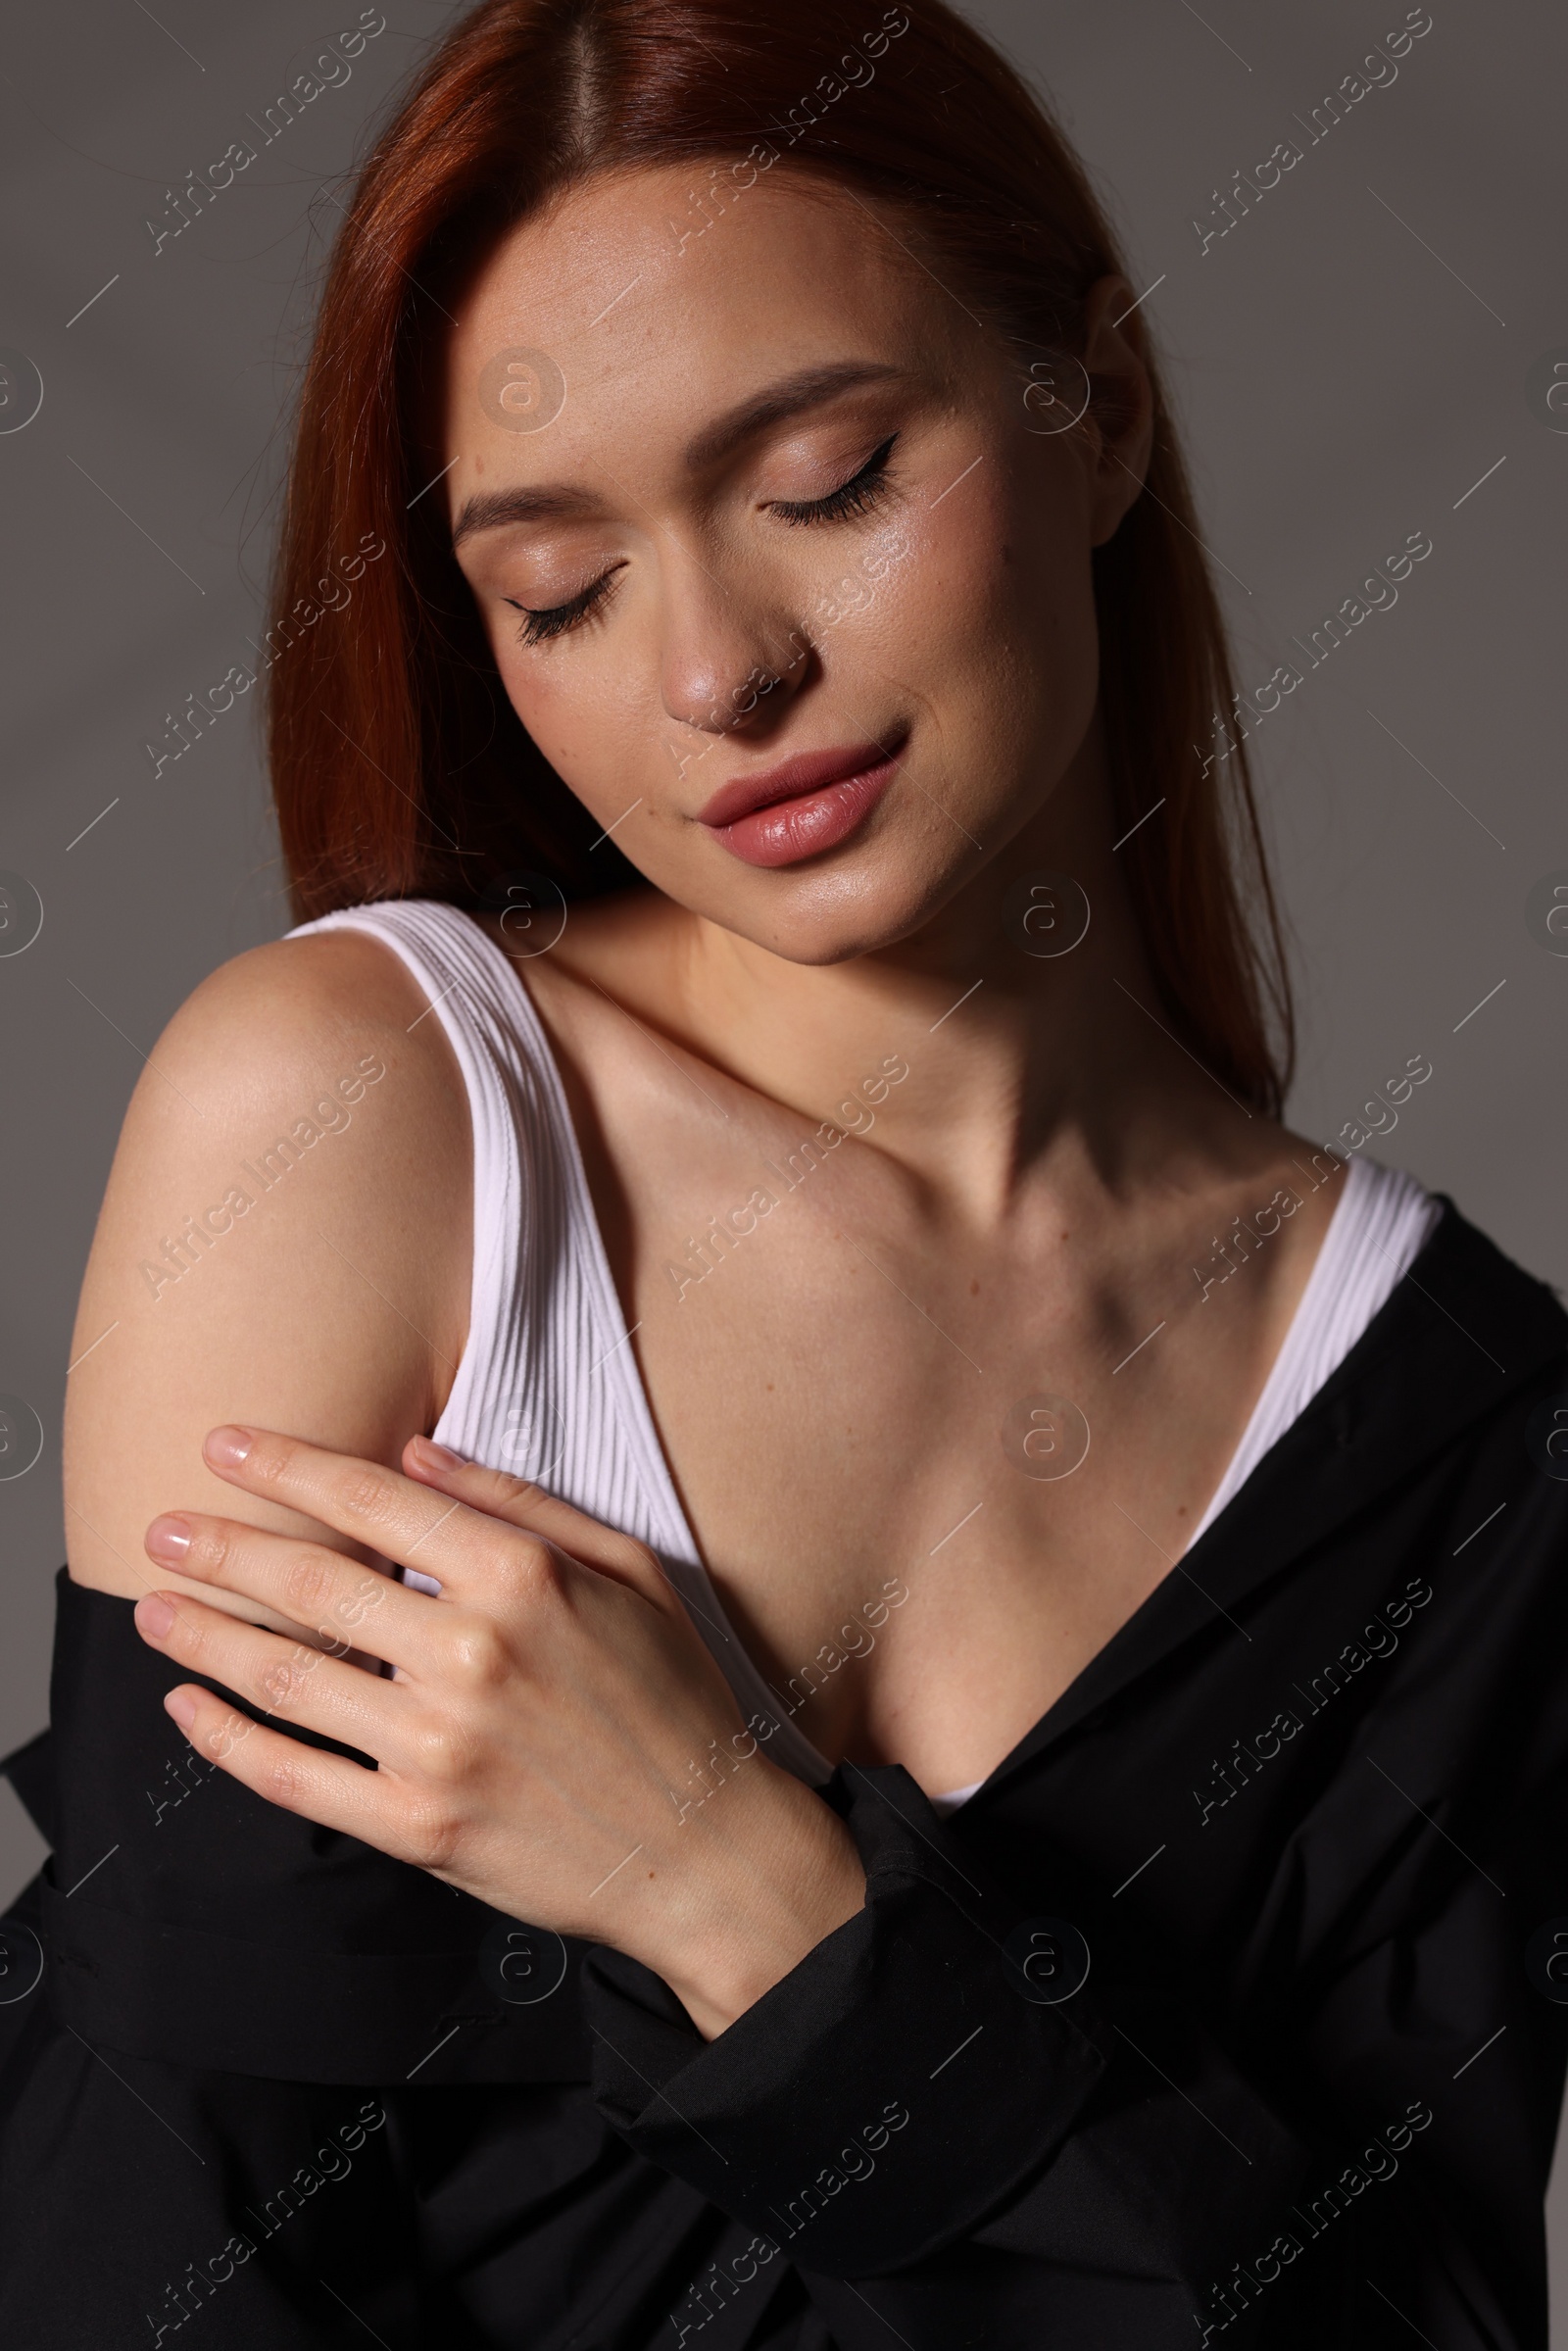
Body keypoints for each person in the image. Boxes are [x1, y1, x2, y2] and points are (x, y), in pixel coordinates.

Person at [2, 1, 1564, 2343]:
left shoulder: (1456, 1437)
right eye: (558, 592)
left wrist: (739, 1893)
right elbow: (141, 2246)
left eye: (823, 478)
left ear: (1098, 411)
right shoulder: (364, 1123)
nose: (716, 671)